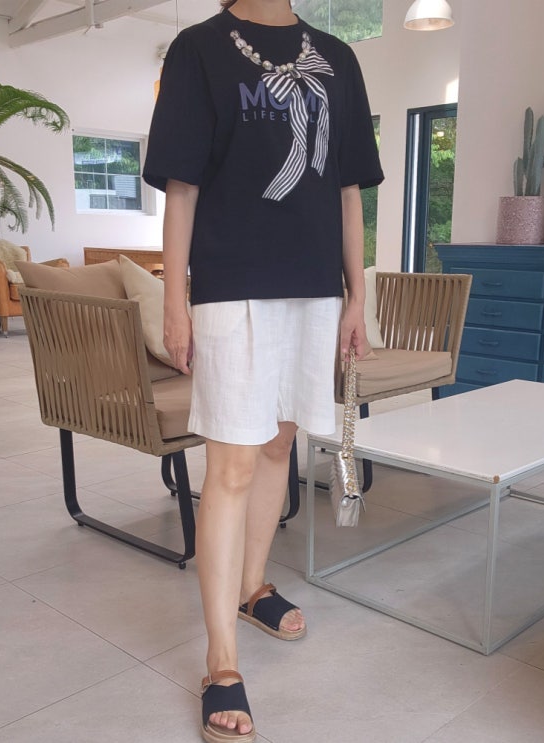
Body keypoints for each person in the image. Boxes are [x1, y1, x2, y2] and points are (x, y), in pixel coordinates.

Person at [142, 1, 383, 740]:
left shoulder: (338, 57)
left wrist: (356, 296)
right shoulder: (197, 49)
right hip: (231, 289)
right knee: (232, 465)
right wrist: (175, 302)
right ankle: (221, 661)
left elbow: (347, 189)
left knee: (281, 444)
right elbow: (181, 188)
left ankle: (252, 588)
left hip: (315, 288)